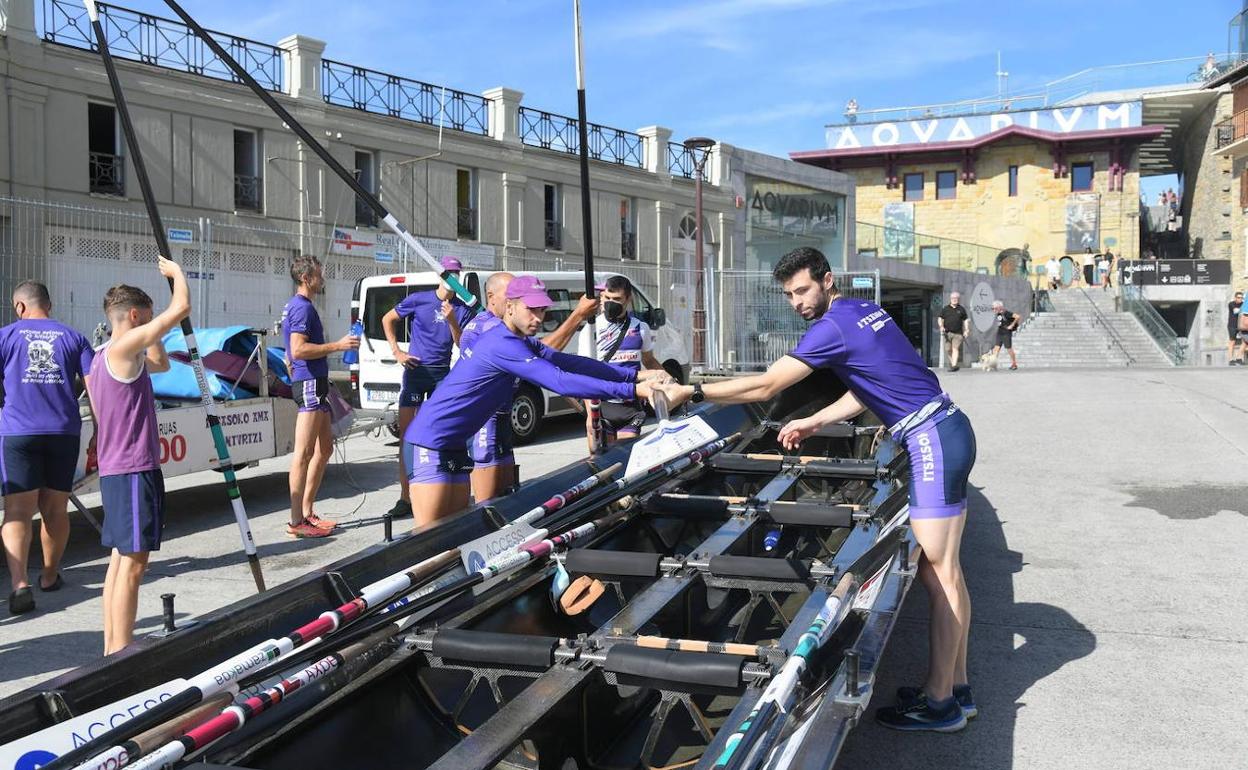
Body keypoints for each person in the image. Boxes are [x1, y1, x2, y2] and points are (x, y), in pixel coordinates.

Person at [655, 247, 977, 732]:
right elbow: (868, 385)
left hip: (930, 439)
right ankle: (956, 689)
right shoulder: (863, 311)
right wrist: (814, 420)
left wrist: (691, 392)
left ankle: (939, 704)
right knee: (944, 574)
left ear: (827, 280)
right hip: (946, 429)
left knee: (941, 574)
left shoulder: (832, 327)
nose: (797, 303)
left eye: (803, 290)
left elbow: (767, 386)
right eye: (789, 295)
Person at [402, 275, 665, 528]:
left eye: (542, 311)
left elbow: (572, 363)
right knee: (432, 547)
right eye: (532, 309)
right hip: (429, 442)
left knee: (457, 540)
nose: (538, 318)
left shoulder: (522, 341)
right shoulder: (502, 344)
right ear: (510, 305)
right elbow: (560, 381)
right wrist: (633, 390)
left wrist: (636, 374)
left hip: (456, 445)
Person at [87, 258, 187, 653]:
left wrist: (152, 334)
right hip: (131, 469)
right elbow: (180, 310)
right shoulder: (122, 346)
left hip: (121, 469)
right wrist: (176, 274)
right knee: (133, 564)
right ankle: (120, 652)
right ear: (133, 316)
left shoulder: (108, 356)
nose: (150, 327)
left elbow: (160, 363)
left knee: (120, 561)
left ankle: (113, 647)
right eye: (145, 320)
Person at [457, 272, 598, 502]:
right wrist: (578, 315)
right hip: (484, 420)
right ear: (491, 297)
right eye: (511, 294)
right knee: (487, 506)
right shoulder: (485, 328)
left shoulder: (508, 330)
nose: (521, 301)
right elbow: (545, 354)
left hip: (502, 416)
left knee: (508, 499)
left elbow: (544, 361)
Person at [0, 281, 95, 615]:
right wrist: (99, 430)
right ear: (49, 306)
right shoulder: (74, 337)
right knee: (55, 509)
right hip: (63, 432)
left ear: (20, 307)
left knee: (17, 512)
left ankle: (19, 583)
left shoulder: (5, 336)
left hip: (18, 433)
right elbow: (94, 388)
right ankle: (50, 576)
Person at [381, 257, 473, 519]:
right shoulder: (420, 299)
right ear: (440, 276)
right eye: (449, 274)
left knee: (442, 433)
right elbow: (388, 319)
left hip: (441, 375)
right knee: (407, 436)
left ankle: (441, 485)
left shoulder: (461, 308)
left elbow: (460, 344)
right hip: (415, 372)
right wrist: (397, 351)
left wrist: (453, 320)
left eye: (457, 274)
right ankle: (405, 497)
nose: (453, 278)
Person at [281, 255, 358, 538]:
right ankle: (296, 521)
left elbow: (291, 351)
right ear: (306, 278)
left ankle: (307, 512)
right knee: (303, 453)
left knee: (324, 449)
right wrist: (338, 345)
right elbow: (298, 349)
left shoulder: (299, 306)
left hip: (317, 383)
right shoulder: (301, 308)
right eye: (318, 273)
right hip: (310, 383)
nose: (322, 278)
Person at [584, 275, 665, 445]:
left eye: (617, 299)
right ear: (601, 297)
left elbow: (649, 361)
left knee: (626, 458)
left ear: (628, 299)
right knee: (601, 462)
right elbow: (583, 374)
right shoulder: (591, 329)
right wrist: (590, 416)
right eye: (607, 297)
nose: (610, 302)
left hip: (631, 406)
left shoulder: (640, 328)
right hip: (602, 406)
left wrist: (670, 380)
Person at [937, 292, 969, 372]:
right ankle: (953, 364)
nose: (955, 299)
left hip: (958, 333)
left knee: (955, 348)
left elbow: (965, 320)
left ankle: (954, 365)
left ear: (958, 299)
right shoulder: (945, 309)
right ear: (950, 299)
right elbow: (940, 318)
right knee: (948, 349)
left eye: (956, 298)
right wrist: (941, 326)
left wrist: (967, 330)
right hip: (947, 333)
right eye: (953, 298)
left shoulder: (961, 309)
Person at [991, 300, 1020, 370]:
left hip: (1006, 333)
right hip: (1000, 332)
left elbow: (1018, 317)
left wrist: (1012, 325)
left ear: (999, 307)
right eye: (992, 308)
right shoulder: (998, 313)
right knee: (996, 349)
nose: (993, 310)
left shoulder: (1006, 313)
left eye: (994, 308)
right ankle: (993, 365)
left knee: (1009, 349)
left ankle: (1014, 364)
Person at [1227, 291, 1243, 365]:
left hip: (1241, 325)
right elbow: (1235, 311)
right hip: (1232, 325)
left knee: (1245, 341)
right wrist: (1244, 309)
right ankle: (1230, 359)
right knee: (1232, 342)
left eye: (1241, 298)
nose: (1240, 299)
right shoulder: (1231, 304)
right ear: (1235, 298)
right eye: (1238, 297)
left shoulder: (1243, 304)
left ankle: (1239, 358)